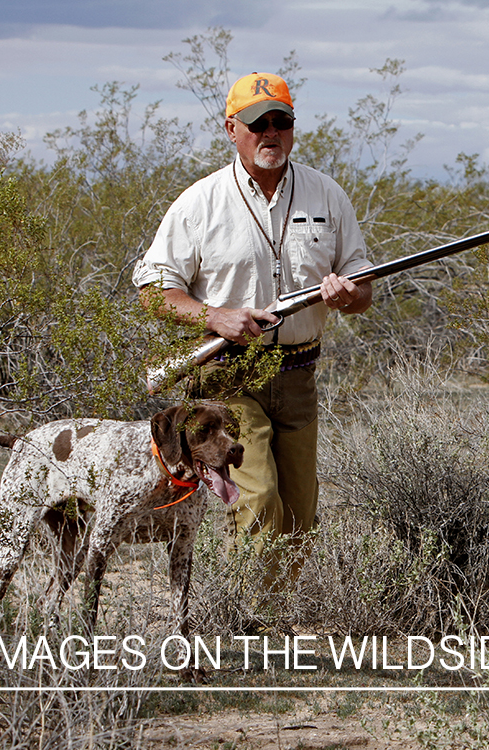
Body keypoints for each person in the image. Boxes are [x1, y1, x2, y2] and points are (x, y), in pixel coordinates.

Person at [133, 71, 372, 592]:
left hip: (299, 375)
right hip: (226, 379)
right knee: (259, 499)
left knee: (299, 514)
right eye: (256, 123)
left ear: (293, 127)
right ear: (231, 129)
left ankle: (278, 613)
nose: (270, 133)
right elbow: (154, 290)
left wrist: (348, 294)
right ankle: (252, 624)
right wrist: (213, 317)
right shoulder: (200, 203)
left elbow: (364, 288)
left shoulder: (327, 195)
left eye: (280, 121)